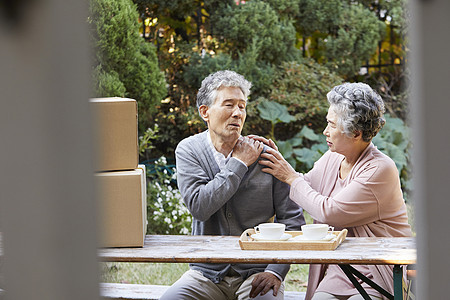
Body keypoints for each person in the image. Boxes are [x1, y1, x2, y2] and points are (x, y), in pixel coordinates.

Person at [255, 82, 412, 300]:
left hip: (377, 271)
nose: (324, 131)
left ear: (355, 133)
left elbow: (330, 211)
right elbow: (304, 185)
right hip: (342, 270)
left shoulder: (380, 169)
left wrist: (290, 176)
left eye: (331, 124)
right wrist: (275, 162)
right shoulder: (334, 157)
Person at [160, 70, 306, 300]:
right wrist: (239, 163)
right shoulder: (189, 151)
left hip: (257, 273)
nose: (237, 113)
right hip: (206, 274)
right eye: (229, 105)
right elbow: (199, 207)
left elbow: (292, 220)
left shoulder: (266, 155)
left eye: (242, 106)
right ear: (205, 112)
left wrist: (275, 271)